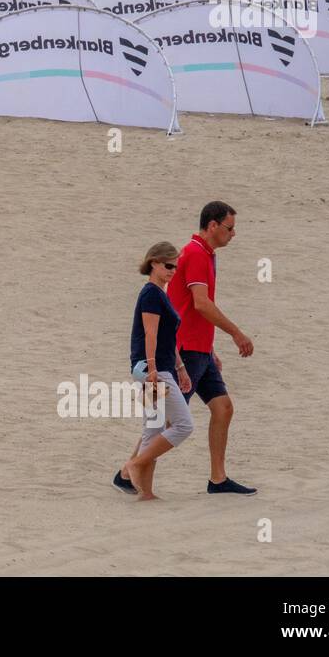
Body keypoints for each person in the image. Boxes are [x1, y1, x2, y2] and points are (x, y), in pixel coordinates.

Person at [167, 201, 257, 495]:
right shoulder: (195, 253)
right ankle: (129, 471)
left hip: (201, 349)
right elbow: (200, 304)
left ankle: (218, 479)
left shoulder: (205, 253)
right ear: (213, 226)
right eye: (230, 228)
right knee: (166, 418)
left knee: (223, 407)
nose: (234, 234)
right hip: (186, 349)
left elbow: (194, 309)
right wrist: (236, 334)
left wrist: (211, 348)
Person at [115, 242, 195, 500]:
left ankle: (145, 492)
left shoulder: (161, 294)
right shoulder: (151, 293)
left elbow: (167, 338)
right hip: (153, 369)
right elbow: (150, 332)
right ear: (153, 263)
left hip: (160, 368)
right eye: (168, 265)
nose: (173, 270)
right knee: (184, 425)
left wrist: (181, 368)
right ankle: (133, 465)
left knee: (154, 427)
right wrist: (152, 369)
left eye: (176, 265)